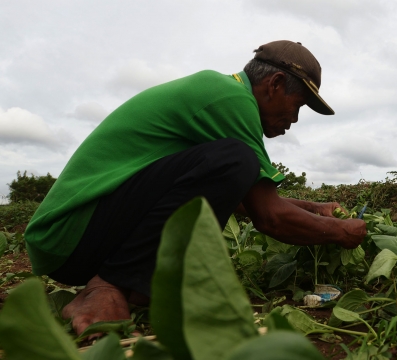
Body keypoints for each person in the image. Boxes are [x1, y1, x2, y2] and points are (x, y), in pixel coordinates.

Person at [25, 40, 366, 336]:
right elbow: (269, 217)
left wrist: (315, 208)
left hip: (77, 238)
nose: (294, 119)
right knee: (239, 159)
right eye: (299, 105)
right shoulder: (231, 100)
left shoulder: (223, 93)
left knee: (236, 164)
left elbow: (240, 197)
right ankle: (110, 283)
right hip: (69, 234)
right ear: (275, 84)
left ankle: (132, 283)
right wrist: (341, 231)